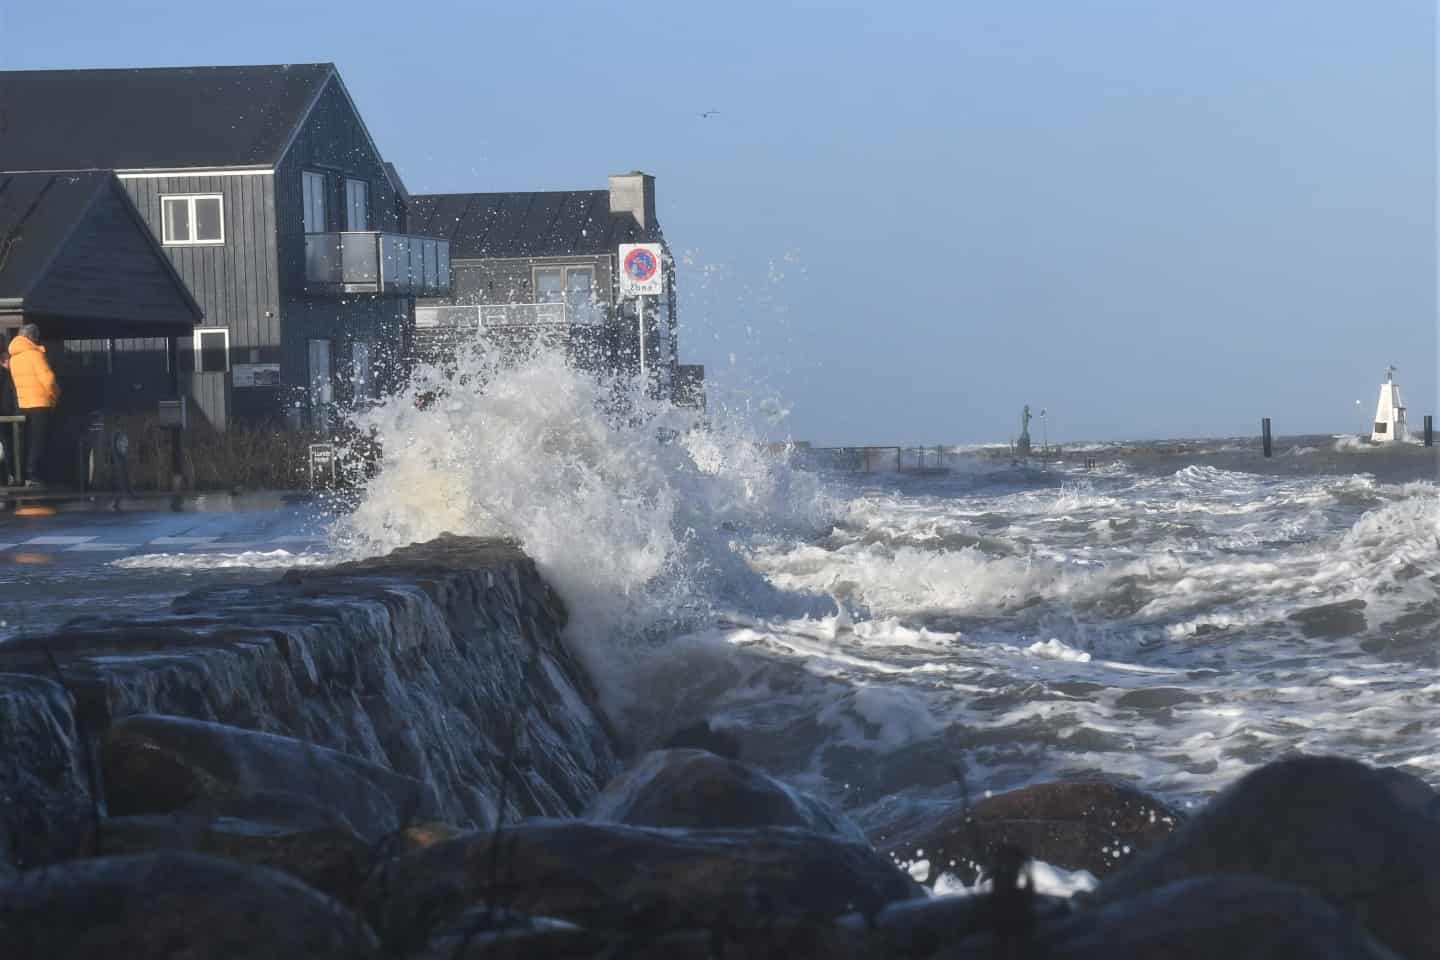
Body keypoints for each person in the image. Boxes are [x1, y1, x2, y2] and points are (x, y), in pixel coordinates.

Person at [8, 323, 60, 487]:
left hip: (23, 404)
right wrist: (55, 396)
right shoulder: (35, 355)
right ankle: (34, 474)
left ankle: (22, 475)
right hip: (40, 403)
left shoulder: (14, 359)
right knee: (39, 441)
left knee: (25, 440)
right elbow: (49, 380)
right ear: (31, 337)